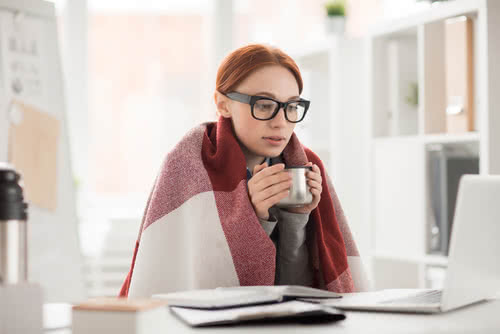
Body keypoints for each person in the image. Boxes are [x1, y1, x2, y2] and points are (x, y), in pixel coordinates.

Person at [120, 44, 369, 298]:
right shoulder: (187, 166)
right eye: (263, 105)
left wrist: (298, 215)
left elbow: (299, 292)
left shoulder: (306, 165)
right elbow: (203, 290)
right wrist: (253, 218)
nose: (280, 121)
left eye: (292, 107)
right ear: (223, 104)